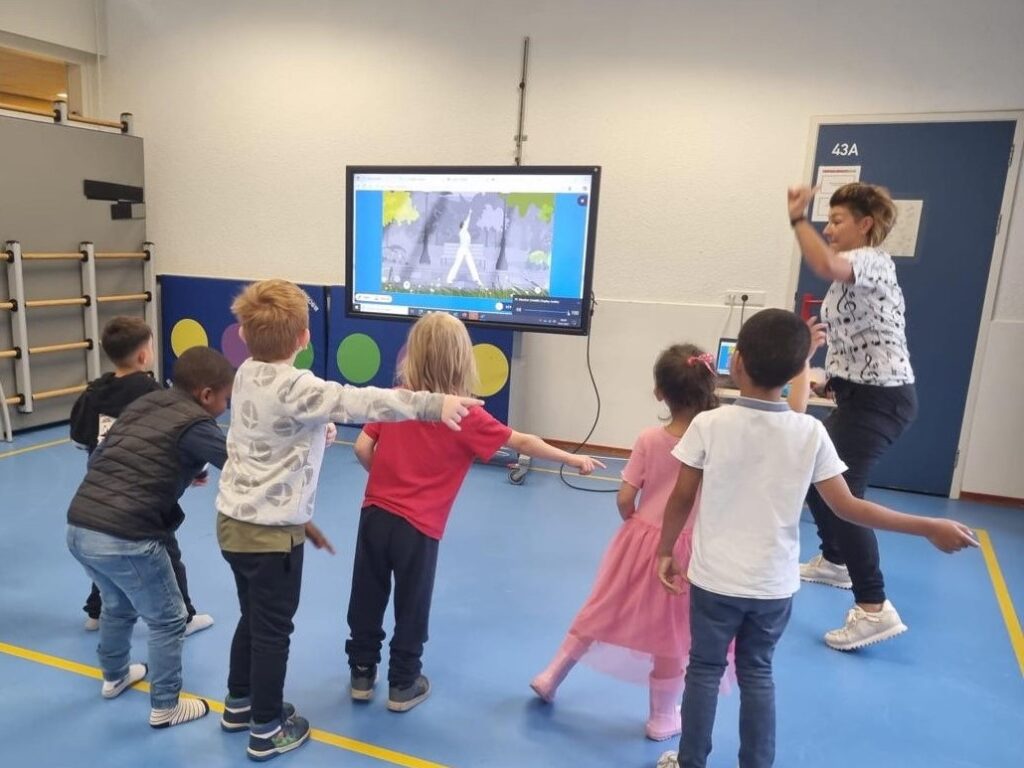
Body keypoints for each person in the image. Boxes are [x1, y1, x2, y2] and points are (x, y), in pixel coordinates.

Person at [653, 309, 977, 768]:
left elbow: (681, 497)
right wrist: (927, 526)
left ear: (737, 362)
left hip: (714, 582)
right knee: (758, 674)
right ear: (797, 371)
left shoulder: (709, 425)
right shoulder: (811, 432)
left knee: (704, 671)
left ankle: (690, 762)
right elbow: (849, 508)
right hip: (772, 588)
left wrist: (666, 550)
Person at [216, 281, 482, 761]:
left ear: (241, 333)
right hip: (270, 537)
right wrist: (433, 403)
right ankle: (266, 727)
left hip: (233, 523)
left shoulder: (246, 374)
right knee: (274, 630)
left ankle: (240, 701)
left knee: (252, 618)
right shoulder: (300, 385)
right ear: (303, 337)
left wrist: (318, 427)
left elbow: (278, 427)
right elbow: (365, 402)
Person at [346, 312, 603, 713]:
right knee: (412, 604)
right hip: (419, 528)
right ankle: (403, 683)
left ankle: (361, 674)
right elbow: (523, 442)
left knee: (367, 593)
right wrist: (570, 458)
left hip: (374, 515)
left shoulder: (397, 397)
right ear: (462, 360)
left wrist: (383, 484)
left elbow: (363, 448)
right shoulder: (465, 415)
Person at [530, 343, 724, 742]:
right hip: (688, 551)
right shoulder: (716, 441)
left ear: (659, 392)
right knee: (672, 635)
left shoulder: (649, 439)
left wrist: (634, 523)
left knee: (601, 609)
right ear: (709, 387)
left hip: (639, 542)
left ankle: (551, 676)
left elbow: (624, 496)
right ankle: (662, 718)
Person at [66, 346, 236, 729]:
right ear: (206, 394)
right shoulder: (197, 424)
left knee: (117, 604)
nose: (226, 406)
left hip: (80, 525)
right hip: (127, 534)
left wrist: (176, 469)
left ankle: (114, 677)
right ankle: (166, 705)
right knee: (169, 619)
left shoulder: (146, 403)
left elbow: (102, 458)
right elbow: (240, 464)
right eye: (226, 398)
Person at [787, 182, 920, 650]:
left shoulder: (870, 260)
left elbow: (822, 261)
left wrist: (797, 218)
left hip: (881, 401)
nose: (829, 227)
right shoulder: (861, 271)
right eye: (827, 220)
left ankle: (873, 606)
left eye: (837, 220)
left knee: (844, 495)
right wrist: (830, 379)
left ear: (865, 224)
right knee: (814, 470)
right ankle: (835, 560)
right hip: (861, 395)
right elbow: (863, 337)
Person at [70, 316, 213, 637]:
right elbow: (180, 429)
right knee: (165, 546)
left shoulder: (95, 391)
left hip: (99, 484)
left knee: (106, 544)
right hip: (142, 489)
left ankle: (96, 611)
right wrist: (197, 470)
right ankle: (185, 615)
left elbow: (80, 435)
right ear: (143, 355)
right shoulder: (153, 393)